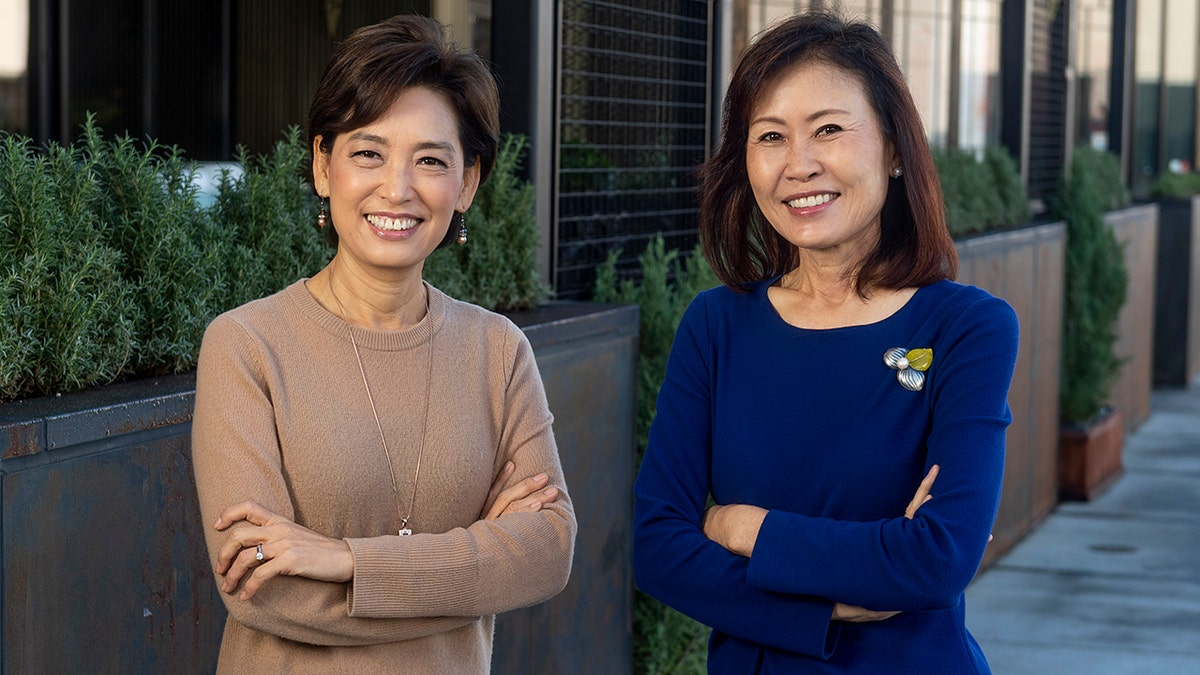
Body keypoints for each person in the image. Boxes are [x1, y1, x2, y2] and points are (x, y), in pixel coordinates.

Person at [632, 11, 1018, 673]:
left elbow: (936, 558)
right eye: (771, 136)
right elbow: (657, 548)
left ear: (894, 148)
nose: (798, 165)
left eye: (829, 130)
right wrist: (829, 604)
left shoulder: (966, 328)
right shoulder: (716, 327)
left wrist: (744, 528)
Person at [191, 15, 576, 673]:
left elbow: (547, 551)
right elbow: (263, 583)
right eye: (368, 152)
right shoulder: (246, 346)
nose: (397, 187)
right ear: (322, 166)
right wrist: (479, 556)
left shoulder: (499, 352)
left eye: (430, 159)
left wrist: (343, 559)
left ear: (468, 183)